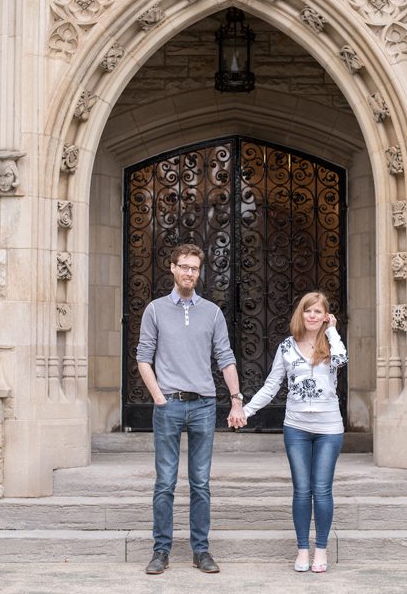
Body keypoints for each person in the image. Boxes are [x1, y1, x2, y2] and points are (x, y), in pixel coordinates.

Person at [136, 243, 246, 575]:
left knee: (200, 482)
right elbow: (143, 357)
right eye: (184, 266)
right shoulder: (155, 310)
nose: (189, 273)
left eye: (194, 268)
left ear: (200, 272)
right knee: (165, 482)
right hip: (168, 404)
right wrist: (158, 397)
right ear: (172, 268)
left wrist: (236, 398)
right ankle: (161, 551)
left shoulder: (212, 312)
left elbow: (225, 358)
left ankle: (201, 551)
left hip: (203, 405)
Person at [235, 291, 348, 573]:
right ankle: (302, 550)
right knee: (301, 490)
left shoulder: (331, 344)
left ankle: (320, 550)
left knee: (321, 490)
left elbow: (342, 361)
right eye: (308, 311)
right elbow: (272, 385)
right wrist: (245, 411)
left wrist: (332, 331)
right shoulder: (287, 346)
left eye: (318, 312)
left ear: (325, 316)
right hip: (296, 427)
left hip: (329, 427)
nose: (312, 316)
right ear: (301, 314)